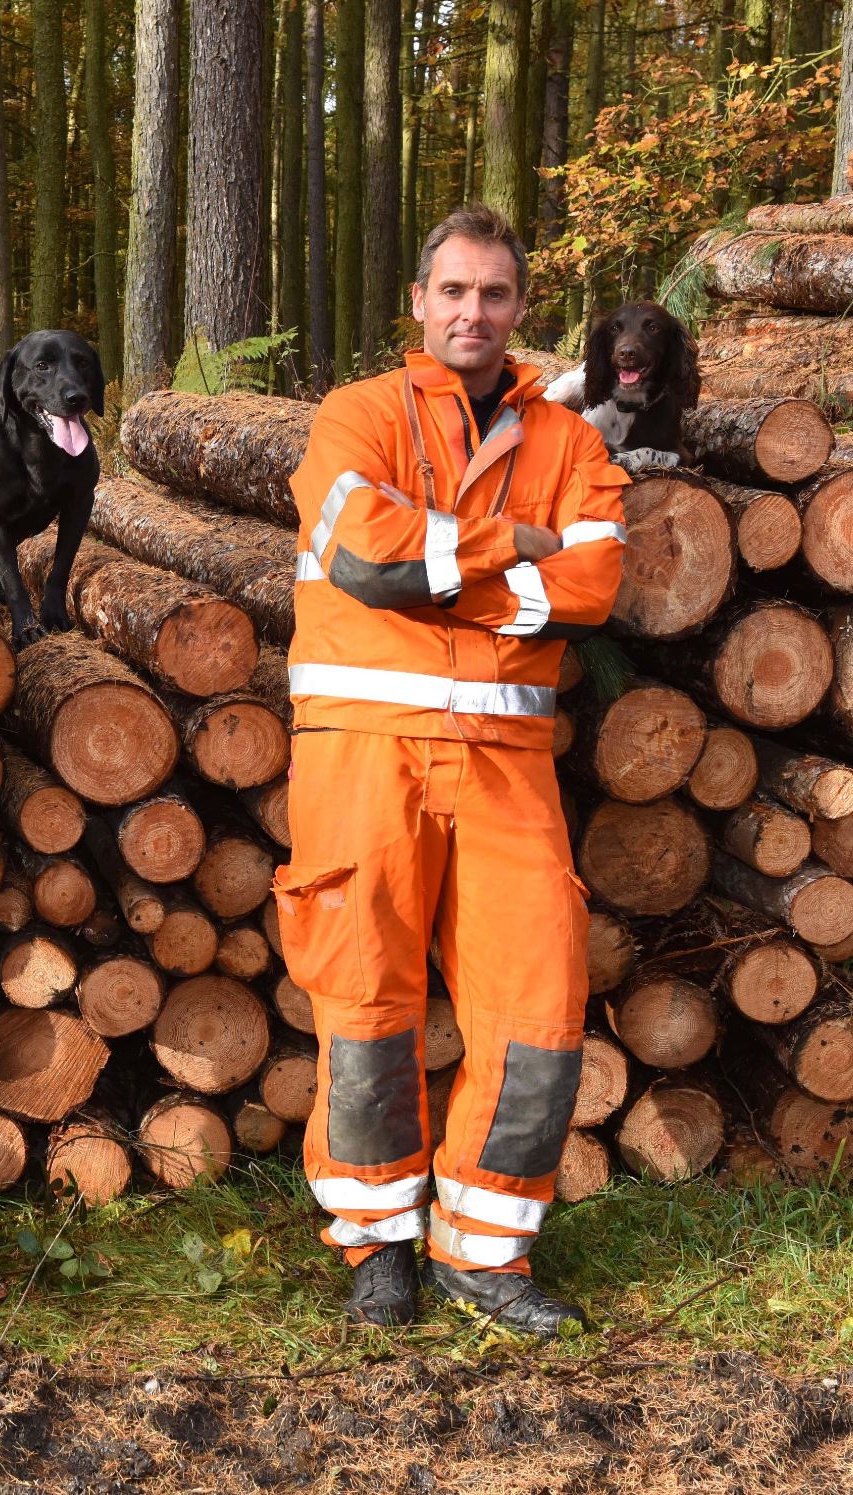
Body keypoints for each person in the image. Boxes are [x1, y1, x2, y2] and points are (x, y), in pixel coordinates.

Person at [278, 205, 628, 1334]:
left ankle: (485, 1250)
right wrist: (513, 546)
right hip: (363, 752)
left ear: (521, 311)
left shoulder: (570, 444)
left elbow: (589, 590)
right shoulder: (358, 414)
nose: (472, 312)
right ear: (419, 305)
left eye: (494, 294)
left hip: (506, 764)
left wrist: (453, 563)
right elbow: (366, 559)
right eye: (454, 292)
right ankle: (375, 1242)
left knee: (538, 999)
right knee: (367, 999)